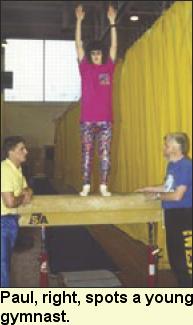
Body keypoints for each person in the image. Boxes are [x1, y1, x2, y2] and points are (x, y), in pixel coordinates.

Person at [136, 132, 192, 287]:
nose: (163, 148)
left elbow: (176, 196)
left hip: (184, 215)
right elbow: (168, 187)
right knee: (175, 258)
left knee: (183, 262)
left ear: (175, 148)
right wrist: (150, 188)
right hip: (173, 215)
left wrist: (156, 196)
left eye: (166, 145)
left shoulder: (186, 166)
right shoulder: (172, 165)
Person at [75, 4, 117, 196]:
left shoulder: (108, 67)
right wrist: (78, 21)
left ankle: (103, 185)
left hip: (105, 121)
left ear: (103, 54)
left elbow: (114, 46)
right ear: (90, 56)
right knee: (87, 154)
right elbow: (78, 44)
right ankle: (85, 185)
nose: (96, 56)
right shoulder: (85, 69)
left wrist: (112, 23)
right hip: (87, 121)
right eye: (93, 53)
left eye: (99, 53)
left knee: (105, 154)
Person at [1, 136, 33, 287]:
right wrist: (23, 197)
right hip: (3, 221)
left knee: (5, 262)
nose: (26, 151)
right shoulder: (4, 170)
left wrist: (27, 192)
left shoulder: (17, 169)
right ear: (11, 152)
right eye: (22, 149)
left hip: (10, 221)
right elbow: (10, 202)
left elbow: (26, 188)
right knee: (3, 267)